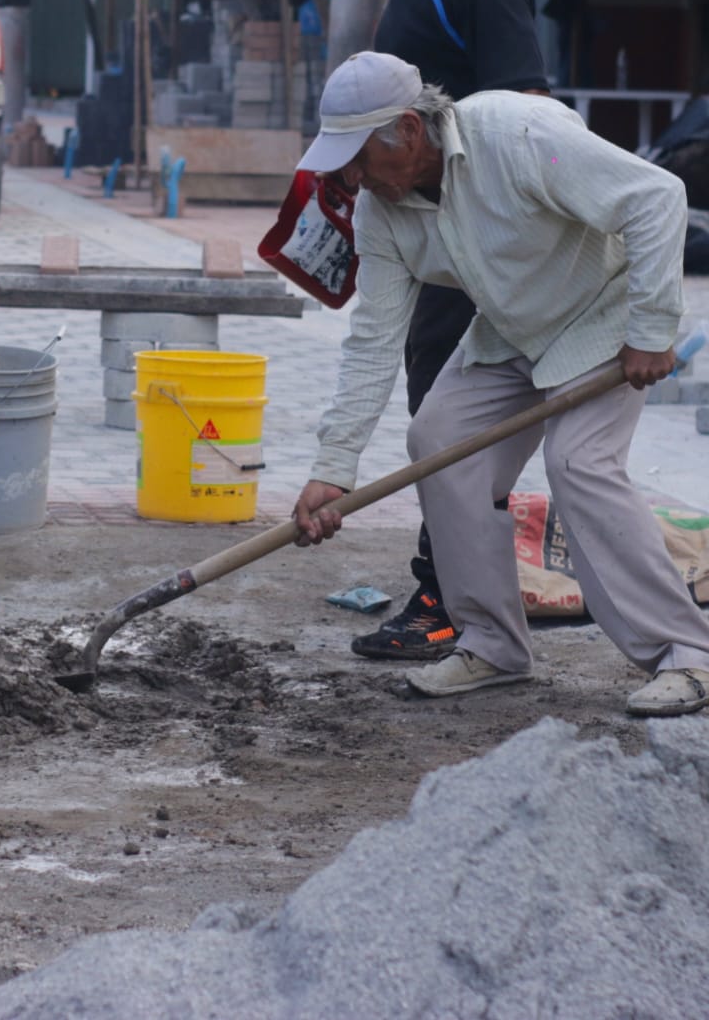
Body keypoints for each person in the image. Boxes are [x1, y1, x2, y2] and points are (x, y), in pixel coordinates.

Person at [291, 51, 709, 717]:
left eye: (359, 157)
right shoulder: (381, 213)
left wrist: (654, 327)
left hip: (604, 314)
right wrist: (332, 469)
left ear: (406, 128)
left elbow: (656, 197)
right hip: (514, 328)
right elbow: (371, 342)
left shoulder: (516, 136)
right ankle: (491, 642)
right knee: (438, 435)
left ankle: (686, 654)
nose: (353, 177)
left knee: (578, 462)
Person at [318, 0, 550, 663]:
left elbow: (529, 111)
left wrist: (486, 234)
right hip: (422, 224)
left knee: (450, 428)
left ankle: (448, 602)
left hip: (480, 239)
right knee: (428, 406)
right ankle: (447, 587)